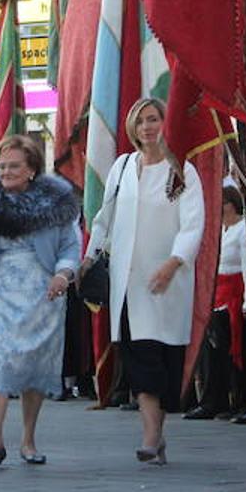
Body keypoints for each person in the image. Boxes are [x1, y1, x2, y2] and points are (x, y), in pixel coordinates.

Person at [81, 97, 203, 465]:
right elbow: (106, 216)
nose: (148, 127)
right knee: (139, 359)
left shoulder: (181, 170)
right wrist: (89, 256)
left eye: (154, 119)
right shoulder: (122, 166)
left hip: (166, 281)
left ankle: (157, 434)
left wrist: (174, 262)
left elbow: (193, 222)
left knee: (163, 357)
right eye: (141, 121)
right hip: (127, 284)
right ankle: (150, 437)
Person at [0, 134, 80, 466]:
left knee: (35, 366)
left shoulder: (55, 203)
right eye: (2, 165)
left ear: (31, 170)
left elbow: (71, 246)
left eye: (14, 166)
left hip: (43, 294)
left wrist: (63, 274)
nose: (7, 171)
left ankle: (28, 439)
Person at [185, 186, 246, 422]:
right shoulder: (218, 230)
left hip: (234, 297)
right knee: (212, 354)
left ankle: (240, 400)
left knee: (236, 352)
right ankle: (213, 400)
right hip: (216, 296)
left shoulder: (241, 229)